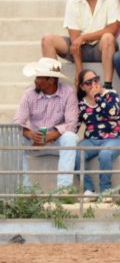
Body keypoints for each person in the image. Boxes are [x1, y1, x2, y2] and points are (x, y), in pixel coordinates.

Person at [41, 0, 120, 87]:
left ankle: (108, 86)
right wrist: (79, 70)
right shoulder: (72, 2)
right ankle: (52, 86)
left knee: (108, 37)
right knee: (47, 40)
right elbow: (75, 41)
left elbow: (113, 29)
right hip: (79, 48)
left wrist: (84, 37)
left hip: (102, 47)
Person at [13, 58, 78, 189]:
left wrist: (49, 137)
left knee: (70, 137)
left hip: (57, 141)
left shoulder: (68, 92)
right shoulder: (29, 94)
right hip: (34, 142)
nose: (35, 80)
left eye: (39, 77)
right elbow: (17, 122)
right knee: (13, 138)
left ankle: (64, 189)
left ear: (51, 80)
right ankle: (25, 189)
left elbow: (72, 124)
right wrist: (31, 135)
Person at [73, 68, 120, 198]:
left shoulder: (111, 94)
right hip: (91, 140)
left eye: (96, 80)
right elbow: (75, 126)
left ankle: (105, 192)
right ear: (82, 87)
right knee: (76, 153)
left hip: (114, 138)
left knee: (105, 154)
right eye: (88, 82)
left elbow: (114, 113)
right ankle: (88, 189)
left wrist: (97, 97)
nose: (94, 84)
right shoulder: (81, 103)